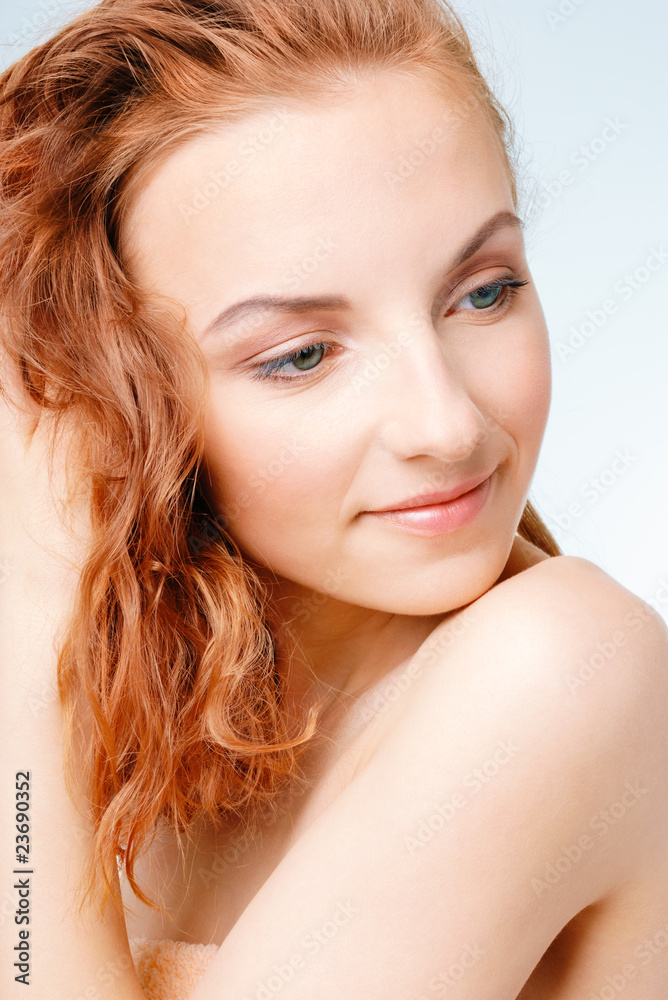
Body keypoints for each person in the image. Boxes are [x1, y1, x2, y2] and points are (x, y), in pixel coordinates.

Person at [1, 0, 667, 997]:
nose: (445, 425)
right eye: (302, 354)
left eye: (482, 290)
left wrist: (30, 605)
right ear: (113, 394)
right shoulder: (139, 713)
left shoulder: (564, 669)